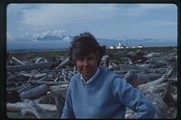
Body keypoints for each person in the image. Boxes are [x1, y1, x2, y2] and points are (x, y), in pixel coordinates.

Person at [61, 32, 156, 119]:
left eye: (90, 58)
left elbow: (147, 108)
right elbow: (68, 114)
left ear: (97, 58)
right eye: (81, 59)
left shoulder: (113, 82)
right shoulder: (74, 82)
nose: (85, 64)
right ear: (75, 61)